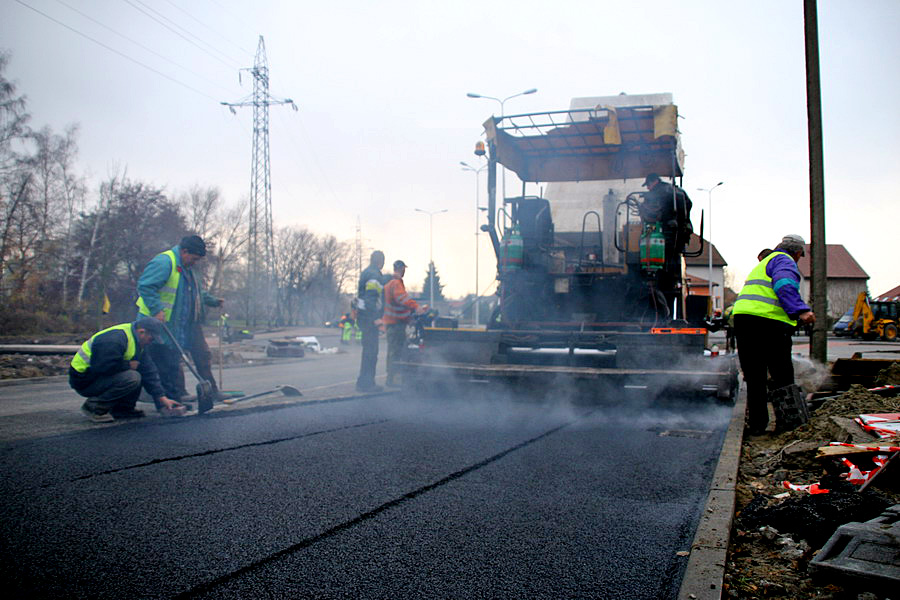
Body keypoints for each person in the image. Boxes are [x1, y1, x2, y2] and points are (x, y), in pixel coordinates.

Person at [732, 234, 815, 435]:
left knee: (755, 377)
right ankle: (788, 425)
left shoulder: (764, 263)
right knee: (782, 376)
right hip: (768, 323)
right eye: (800, 256)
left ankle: (757, 426)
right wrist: (801, 310)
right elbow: (784, 284)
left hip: (744, 321)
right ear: (796, 253)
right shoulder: (784, 260)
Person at [136, 235, 224, 408]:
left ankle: (175, 398)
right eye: (194, 258)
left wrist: (213, 301)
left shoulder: (187, 269)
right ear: (184, 251)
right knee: (162, 362)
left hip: (180, 324)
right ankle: (166, 400)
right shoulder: (164, 262)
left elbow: (196, 293)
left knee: (172, 360)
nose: (195, 262)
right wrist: (157, 310)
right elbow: (145, 286)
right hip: (158, 324)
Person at [70, 318, 186, 422]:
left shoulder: (138, 343)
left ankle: (123, 410)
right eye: (151, 338)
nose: (151, 342)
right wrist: (127, 365)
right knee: (132, 377)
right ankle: (94, 407)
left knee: (138, 373)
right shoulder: (114, 340)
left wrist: (162, 398)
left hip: (97, 377)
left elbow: (149, 372)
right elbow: (100, 367)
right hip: (84, 380)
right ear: (142, 332)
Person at [382, 260, 426, 387]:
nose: (405, 271)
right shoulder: (396, 284)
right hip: (396, 325)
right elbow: (402, 299)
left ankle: (391, 378)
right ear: (400, 268)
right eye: (404, 268)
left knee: (392, 352)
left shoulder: (389, 284)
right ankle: (393, 379)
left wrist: (408, 318)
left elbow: (398, 305)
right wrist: (416, 307)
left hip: (394, 323)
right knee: (396, 352)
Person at [355, 250, 386, 392]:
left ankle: (363, 382)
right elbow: (371, 298)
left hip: (363, 317)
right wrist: (376, 318)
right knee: (371, 353)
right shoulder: (374, 275)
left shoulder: (366, 272)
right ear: (381, 261)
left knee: (368, 351)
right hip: (369, 319)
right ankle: (367, 384)